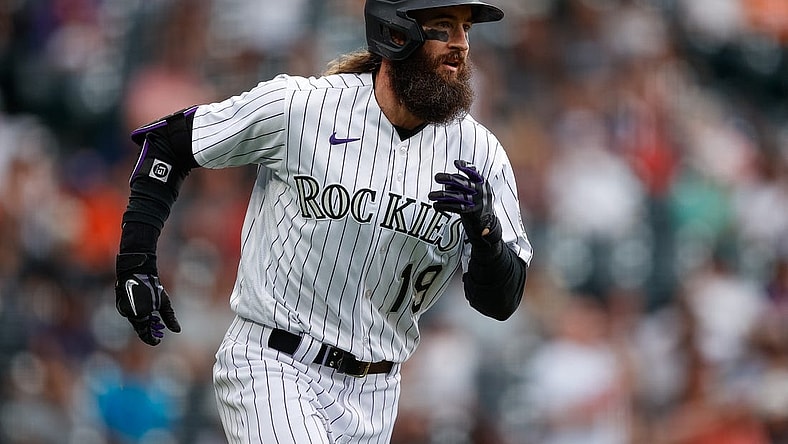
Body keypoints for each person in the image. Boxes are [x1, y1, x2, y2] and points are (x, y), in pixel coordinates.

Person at [113, 0, 532, 442]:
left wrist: (485, 234)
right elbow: (169, 143)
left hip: (376, 392)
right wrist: (136, 261)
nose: (461, 44)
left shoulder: (480, 154)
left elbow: (501, 302)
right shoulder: (304, 107)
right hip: (273, 363)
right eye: (444, 27)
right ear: (395, 32)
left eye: (466, 29)